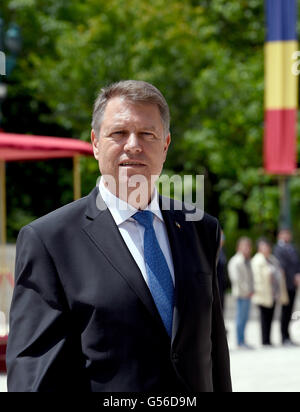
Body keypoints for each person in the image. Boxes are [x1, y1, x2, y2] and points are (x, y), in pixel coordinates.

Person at [6, 80, 231, 392]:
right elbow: (33, 378)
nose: (133, 145)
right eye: (119, 133)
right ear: (96, 142)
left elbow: (214, 353)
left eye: (147, 134)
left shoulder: (199, 228)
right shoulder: (50, 241)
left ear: (165, 145)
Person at [251, 238, 289, 346]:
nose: (266, 249)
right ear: (259, 248)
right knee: (264, 318)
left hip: (273, 293)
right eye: (264, 247)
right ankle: (265, 340)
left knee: (271, 317)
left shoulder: (272, 259)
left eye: (267, 247)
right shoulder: (257, 260)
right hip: (263, 293)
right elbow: (257, 277)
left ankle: (268, 339)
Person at [273, 228, 300, 346]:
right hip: (285, 284)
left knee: (290, 311)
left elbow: (297, 264)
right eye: (285, 234)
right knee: (285, 311)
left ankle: (288, 335)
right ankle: (283, 336)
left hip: (293, 284)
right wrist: (292, 277)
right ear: (280, 235)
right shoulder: (278, 249)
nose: (287, 236)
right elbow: (282, 266)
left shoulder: (292, 248)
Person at [228, 237, 254, 349]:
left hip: (247, 294)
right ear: (239, 247)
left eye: (248, 246)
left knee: (245, 318)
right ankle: (239, 341)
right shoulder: (236, 261)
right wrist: (247, 291)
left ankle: (243, 340)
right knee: (240, 318)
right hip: (241, 294)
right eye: (245, 246)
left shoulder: (247, 260)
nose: (247, 249)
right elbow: (236, 279)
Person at [217, 231, 228, 311]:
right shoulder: (213, 250)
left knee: (222, 307)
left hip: (222, 285)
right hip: (216, 285)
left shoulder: (223, 250)